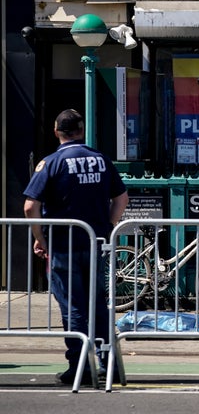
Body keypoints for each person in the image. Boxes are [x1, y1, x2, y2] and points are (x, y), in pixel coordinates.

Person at [23, 109, 129, 385]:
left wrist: (40, 237)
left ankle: (79, 366)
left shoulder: (52, 162)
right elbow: (121, 197)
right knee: (98, 305)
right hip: (94, 243)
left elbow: (29, 205)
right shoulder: (101, 160)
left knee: (72, 307)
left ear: (57, 132)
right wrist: (108, 225)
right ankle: (110, 365)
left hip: (63, 245)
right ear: (82, 131)